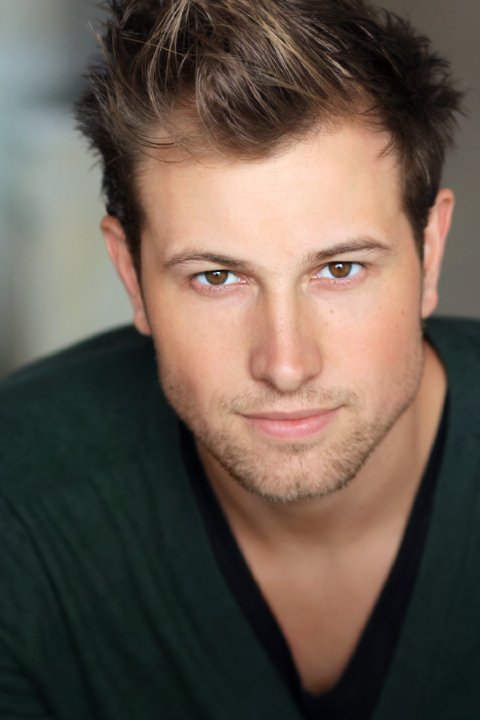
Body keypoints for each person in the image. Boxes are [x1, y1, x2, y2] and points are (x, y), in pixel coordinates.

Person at [0, 0, 476, 718]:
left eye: (340, 269)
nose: (285, 365)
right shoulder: (18, 505)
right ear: (130, 274)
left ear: (429, 253)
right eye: (217, 277)